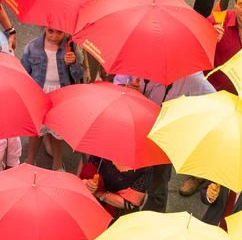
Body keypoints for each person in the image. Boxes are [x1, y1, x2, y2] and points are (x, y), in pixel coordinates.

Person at [114, 72, 216, 211]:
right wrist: (126, 90)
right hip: (132, 132)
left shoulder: (191, 77)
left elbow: (214, 103)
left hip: (163, 142)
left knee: (157, 189)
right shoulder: (134, 59)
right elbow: (116, 86)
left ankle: (152, 224)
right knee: (124, 184)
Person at [21, 27, 84, 170]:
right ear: (44, 27)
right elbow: (23, 71)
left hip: (61, 96)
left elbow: (79, 75)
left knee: (57, 133)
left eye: (59, 32)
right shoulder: (32, 47)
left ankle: (57, 164)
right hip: (40, 95)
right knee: (37, 131)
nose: (55, 36)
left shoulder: (71, 47)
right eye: (51, 31)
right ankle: (30, 160)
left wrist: (74, 62)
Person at [80, 155, 150, 219]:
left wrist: (98, 194)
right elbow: (86, 173)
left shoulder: (145, 166)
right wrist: (87, 183)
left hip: (120, 217)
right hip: (92, 207)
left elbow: (129, 204)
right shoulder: (102, 150)